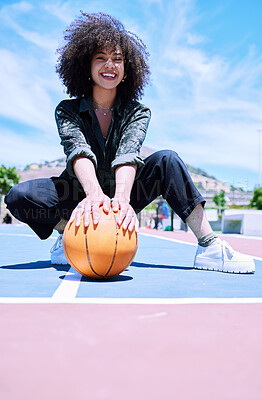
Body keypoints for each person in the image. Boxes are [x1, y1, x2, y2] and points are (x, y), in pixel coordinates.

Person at [5, 12, 255, 274]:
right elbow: (78, 150)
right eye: (100, 58)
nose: (109, 65)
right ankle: (71, 233)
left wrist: (121, 201)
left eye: (117, 59)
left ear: (127, 69)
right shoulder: (67, 110)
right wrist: (94, 196)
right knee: (20, 196)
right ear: (86, 67)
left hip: (122, 194)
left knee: (167, 160)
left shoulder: (137, 112)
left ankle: (210, 246)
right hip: (79, 195)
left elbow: (128, 154)